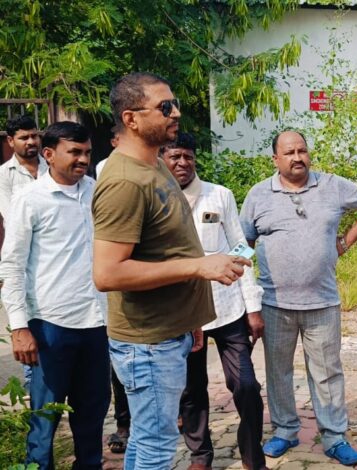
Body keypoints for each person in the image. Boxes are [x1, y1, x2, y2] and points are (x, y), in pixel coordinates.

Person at [92, 72, 250, 470]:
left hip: (169, 331)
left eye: (174, 103)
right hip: (147, 342)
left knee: (151, 440)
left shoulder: (154, 165)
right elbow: (108, 274)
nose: (175, 112)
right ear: (131, 118)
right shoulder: (125, 181)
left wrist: (190, 318)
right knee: (156, 445)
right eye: (165, 107)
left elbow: (165, 248)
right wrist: (200, 267)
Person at [240, 130, 357, 466]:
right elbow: (242, 245)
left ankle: (334, 437)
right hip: (275, 304)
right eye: (288, 152)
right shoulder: (259, 195)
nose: (297, 157)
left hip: (323, 301)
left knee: (327, 372)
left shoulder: (331, 185)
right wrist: (246, 302)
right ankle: (285, 432)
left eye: (302, 150)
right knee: (278, 372)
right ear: (275, 159)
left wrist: (345, 242)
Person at [0, 121, 109, 470]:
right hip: (50, 326)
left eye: (87, 153)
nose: (83, 159)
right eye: (74, 152)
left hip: (97, 323)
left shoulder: (97, 192)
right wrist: (19, 327)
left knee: (92, 416)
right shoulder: (29, 200)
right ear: (49, 154)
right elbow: (12, 265)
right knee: (44, 422)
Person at [163, 132, 267, 470]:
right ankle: (200, 455)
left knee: (247, 386)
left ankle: (253, 454)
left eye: (187, 157)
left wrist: (252, 306)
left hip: (227, 308)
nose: (182, 163)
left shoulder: (218, 195)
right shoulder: (156, 199)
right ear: (162, 159)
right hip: (181, 311)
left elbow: (241, 247)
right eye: (175, 157)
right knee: (191, 390)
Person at [0, 115, 47, 391]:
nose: (31, 142)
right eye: (23, 137)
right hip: (23, 256)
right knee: (28, 322)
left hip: (54, 255)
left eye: (34, 136)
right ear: (10, 141)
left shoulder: (51, 166)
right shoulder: (4, 175)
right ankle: (36, 394)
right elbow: (11, 215)